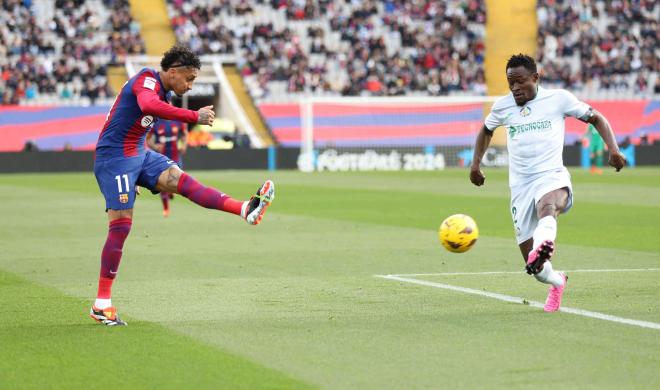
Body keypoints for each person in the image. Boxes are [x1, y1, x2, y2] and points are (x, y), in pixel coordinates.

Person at [90, 45, 275, 326]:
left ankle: (245, 209)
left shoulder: (162, 91)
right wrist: (193, 117)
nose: (190, 86)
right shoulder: (146, 79)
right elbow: (149, 107)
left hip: (138, 154)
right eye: (188, 79)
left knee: (182, 181)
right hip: (114, 159)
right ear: (173, 72)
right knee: (122, 226)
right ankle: (102, 304)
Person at [469, 54, 626, 312]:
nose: (515, 88)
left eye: (520, 82)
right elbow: (486, 131)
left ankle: (544, 245)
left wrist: (613, 149)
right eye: (511, 83)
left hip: (551, 175)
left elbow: (596, 117)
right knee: (536, 269)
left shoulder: (558, 99)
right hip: (520, 185)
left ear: (535, 78)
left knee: (549, 206)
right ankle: (557, 281)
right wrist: (476, 164)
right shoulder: (502, 106)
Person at [146, 118, 189, 217]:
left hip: (176, 157)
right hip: (161, 159)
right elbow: (148, 139)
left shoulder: (178, 121)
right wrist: (155, 146)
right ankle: (166, 208)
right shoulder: (156, 123)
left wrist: (184, 144)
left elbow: (185, 133)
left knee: (178, 181)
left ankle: (170, 191)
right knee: (162, 183)